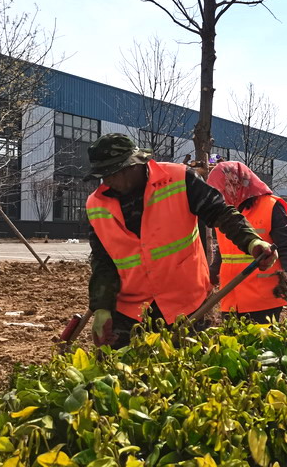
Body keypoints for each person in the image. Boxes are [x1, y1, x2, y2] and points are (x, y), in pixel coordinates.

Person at [85, 133, 276, 348]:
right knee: (124, 366)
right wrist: (102, 307)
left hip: (187, 304)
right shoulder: (96, 204)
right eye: (102, 175)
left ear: (133, 165)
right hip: (131, 311)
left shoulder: (179, 178)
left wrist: (252, 242)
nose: (107, 181)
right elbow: (103, 260)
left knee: (193, 364)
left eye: (111, 173)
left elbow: (221, 213)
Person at [206, 161, 287, 323]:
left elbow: (286, 246)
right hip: (230, 299)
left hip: (263, 301)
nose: (221, 197)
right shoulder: (225, 214)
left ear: (237, 184)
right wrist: (210, 280)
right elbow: (224, 252)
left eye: (223, 191)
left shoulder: (271, 206)